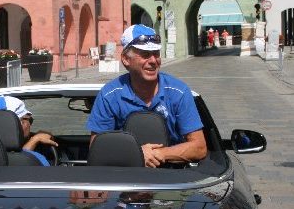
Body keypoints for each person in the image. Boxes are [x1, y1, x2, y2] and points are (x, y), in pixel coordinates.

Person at [86, 24, 207, 168]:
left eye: (156, 53)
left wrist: (159, 154)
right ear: (125, 59)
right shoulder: (109, 95)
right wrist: (136, 154)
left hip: (172, 175)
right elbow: (97, 148)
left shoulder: (178, 92)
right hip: (124, 175)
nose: (153, 61)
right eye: (145, 55)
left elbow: (199, 147)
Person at [0, 95, 58, 166]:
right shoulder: (36, 160)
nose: (30, 124)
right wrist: (34, 140)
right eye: (28, 119)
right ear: (17, 124)